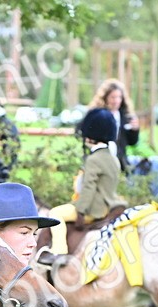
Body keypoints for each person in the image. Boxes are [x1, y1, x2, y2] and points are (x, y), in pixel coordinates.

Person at [39, 108, 123, 268]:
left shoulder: (94, 159)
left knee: (55, 213)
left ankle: (58, 251)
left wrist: (80, 211)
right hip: (108, 206)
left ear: (91, 136)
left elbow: (88, 188)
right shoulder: (113, 159)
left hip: (93, 209)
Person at [85, 78, 140, 173]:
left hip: (119, 162)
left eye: (119, 97)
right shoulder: (97, 116)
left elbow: (132, 142)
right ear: (105, 98)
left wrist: (134, 130)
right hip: (100, 162)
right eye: (113, 97)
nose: (116, 101)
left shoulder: (125, 116)